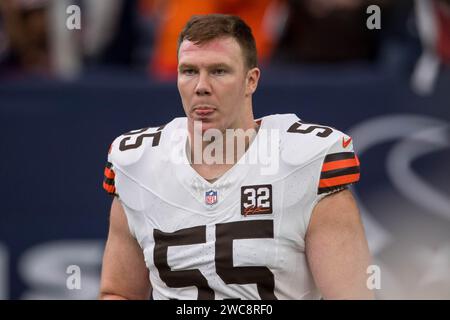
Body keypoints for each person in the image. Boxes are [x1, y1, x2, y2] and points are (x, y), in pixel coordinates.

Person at [99, 14, 374, 300]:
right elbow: (119, 292)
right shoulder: (138, 163)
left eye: (218, 71)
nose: (201, 86)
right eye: (189, 71)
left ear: (250, 80)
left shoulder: (307, 161)